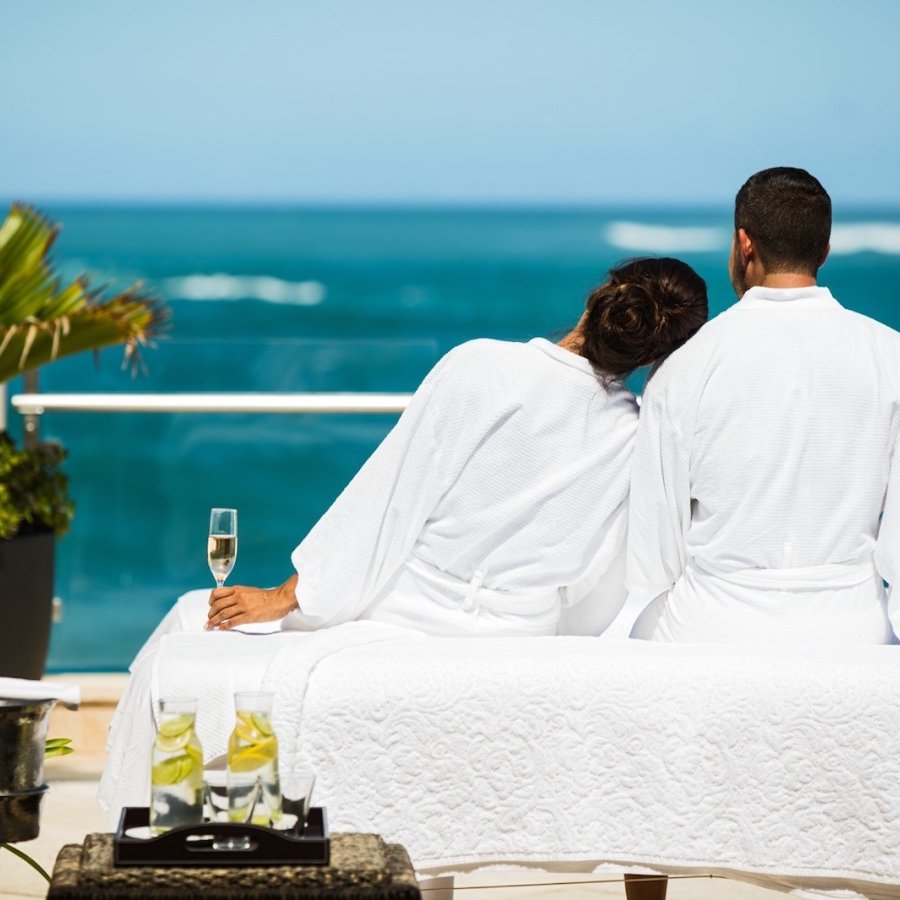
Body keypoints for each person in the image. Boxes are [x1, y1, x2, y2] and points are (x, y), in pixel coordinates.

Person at [200, 257, 708, 638]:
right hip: (517, 640)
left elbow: (389, 500)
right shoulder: (634, 435)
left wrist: (290, 595)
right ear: (658, 356)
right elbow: (596, 589)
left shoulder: (480, 366)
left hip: (403, 623)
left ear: (600, 295)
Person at [627, 167, 900, 645]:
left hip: (711, 627)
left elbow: (656, 558)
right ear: (824, 251)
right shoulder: (889, 354)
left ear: (744, 244)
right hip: (851, 629)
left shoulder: (684, 366)